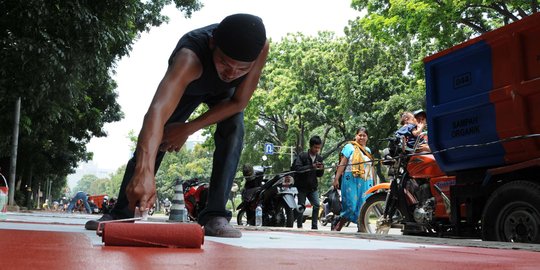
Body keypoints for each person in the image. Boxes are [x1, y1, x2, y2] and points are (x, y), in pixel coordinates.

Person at [84, 13, 268, 238]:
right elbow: (156, 112)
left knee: (235, 128)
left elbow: (239, 102)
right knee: (160, 135)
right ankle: (122, 211)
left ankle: (215, 216)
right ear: (212, 45)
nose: (231, 74)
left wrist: (189, 128)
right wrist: (145, 171)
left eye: (241, 69)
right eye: (225, 63)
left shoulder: (260, 48)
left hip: (226, 99)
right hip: (189, 88)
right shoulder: (189, 57)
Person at [332, 127, 374, 231]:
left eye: (364, 135)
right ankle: (338, 226)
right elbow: (342, 163)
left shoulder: (367, 150)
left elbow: (370, 167)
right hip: (350, 180)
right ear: (355, 136)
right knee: (350, 206)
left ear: (367, 137)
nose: (362, 137)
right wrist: (336, 178)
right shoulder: (349, 147)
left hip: (365, 181)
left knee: (363, 205)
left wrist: (373, 184)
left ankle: (361, 228)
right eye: (360, 135)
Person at [292, 135, 324, 229]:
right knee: (301, 206)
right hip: (301, 187)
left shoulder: (319, 158)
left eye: (318, 147)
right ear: (311, 146)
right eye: (315, 147)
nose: (317, 149)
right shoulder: (302, 156)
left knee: (317, 205)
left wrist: (321, 169)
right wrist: (311, 166)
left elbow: (319, 175)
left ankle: (314, 226)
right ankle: (299, 225)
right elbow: (297, 169)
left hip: (313, 187)